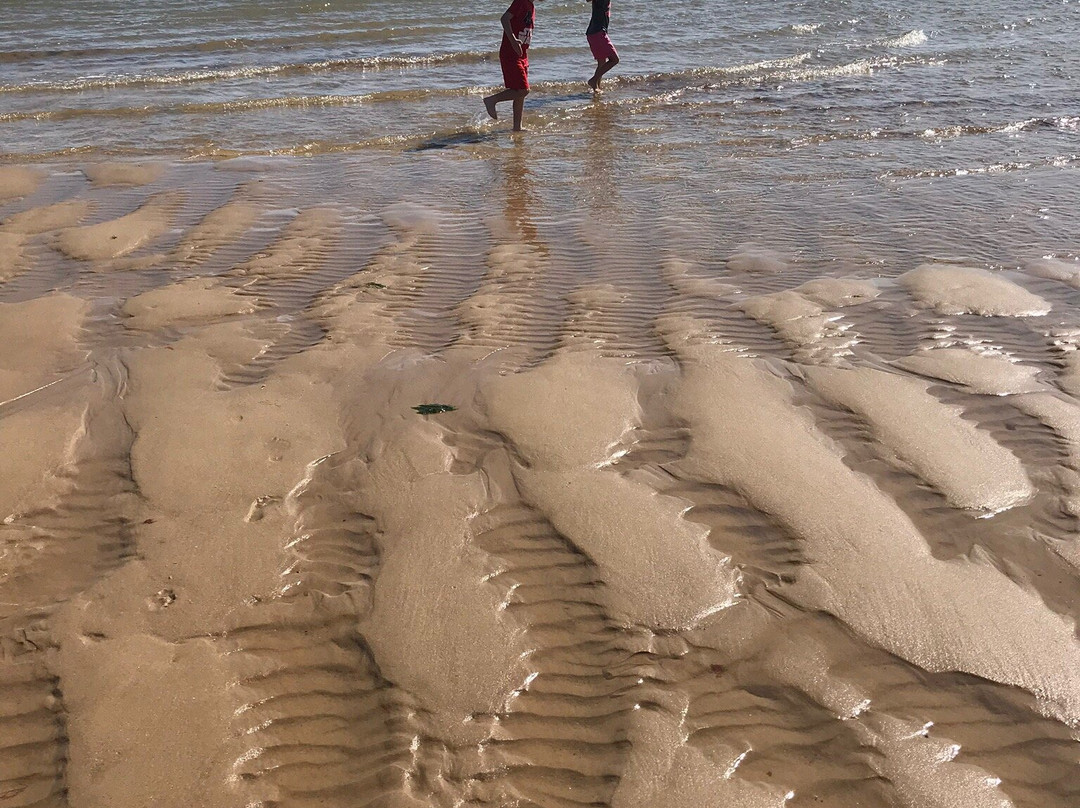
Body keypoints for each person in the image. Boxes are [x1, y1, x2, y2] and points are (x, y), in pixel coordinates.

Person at [483, 0, 536, 132]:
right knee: (524, 90)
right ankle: (491, 100)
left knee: (519, 93)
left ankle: (517, 127)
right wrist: (513, 41)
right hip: (511, 53)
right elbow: (504, 18)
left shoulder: (531, 5)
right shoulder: (521, 2)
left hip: (522, 55)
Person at [586, 0, 619, 91]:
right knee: (614, 60)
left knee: (602, 63)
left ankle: (596, 88)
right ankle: (593, 80)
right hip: (598, 33)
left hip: (594, 33)